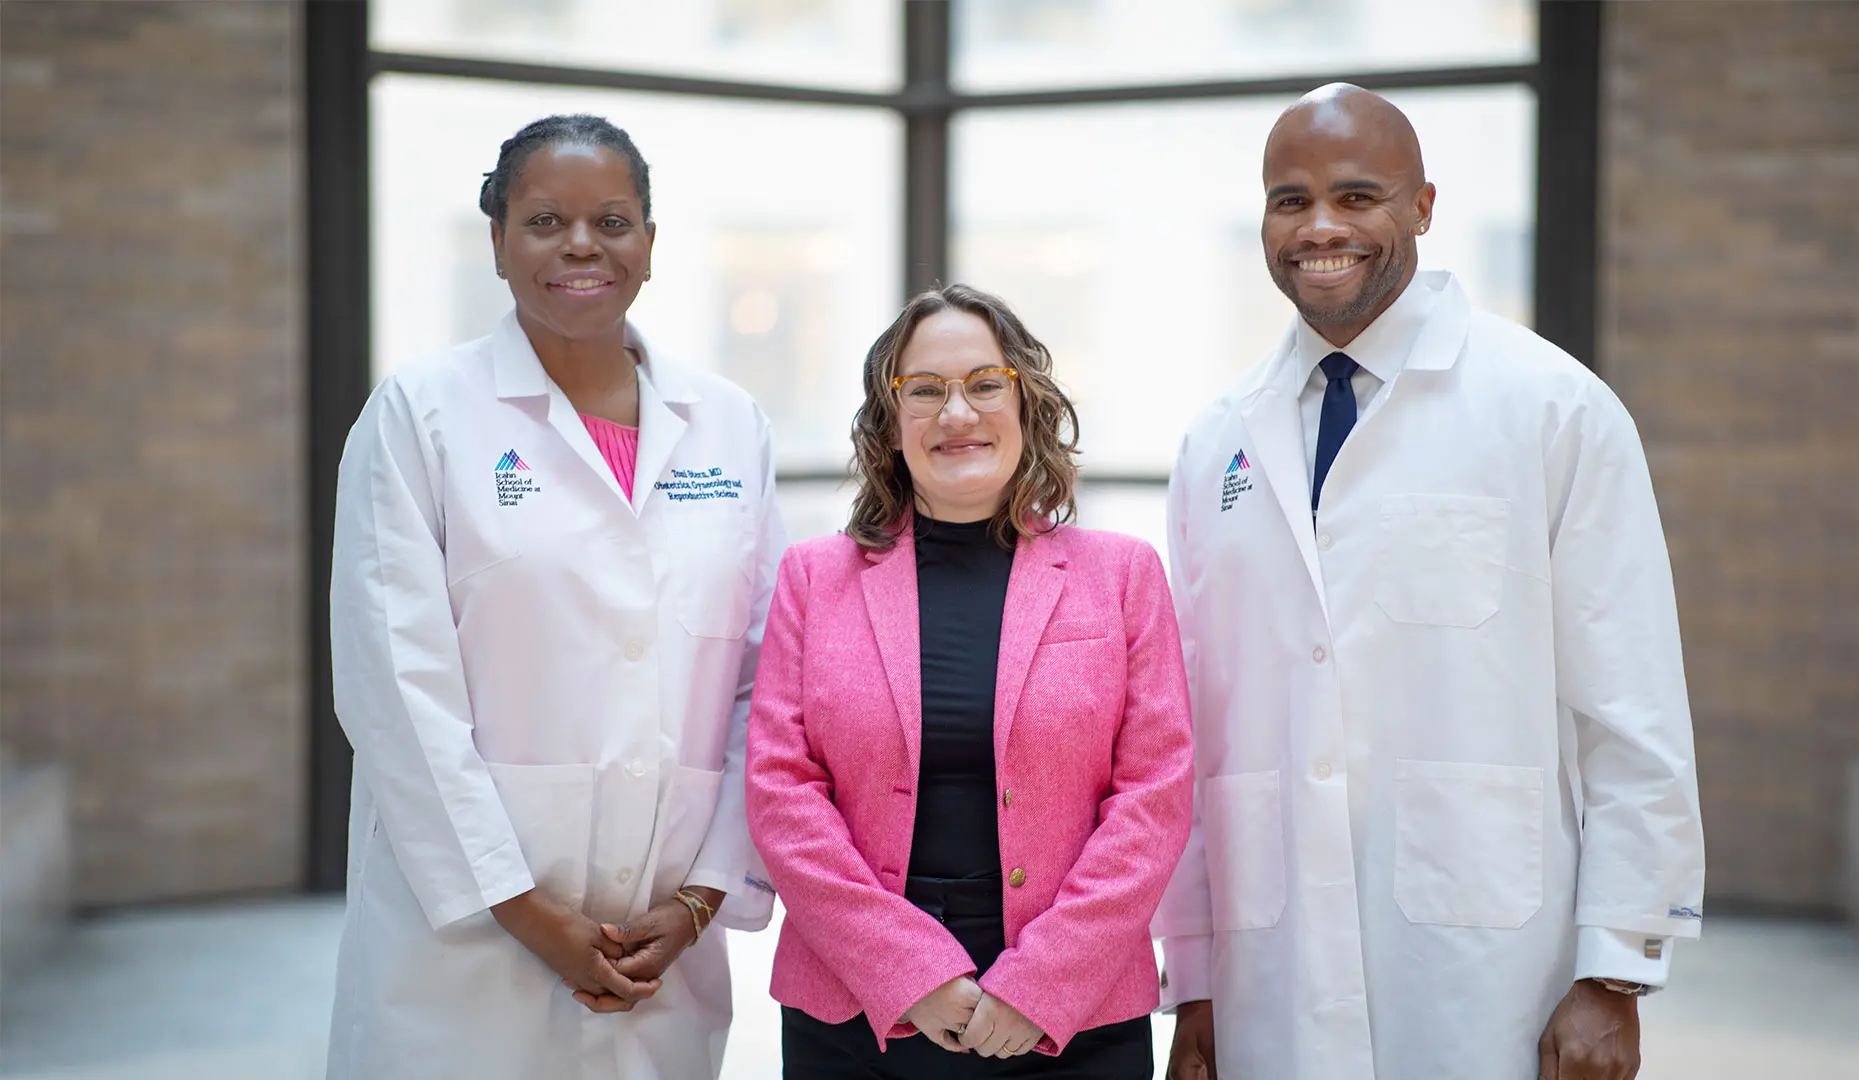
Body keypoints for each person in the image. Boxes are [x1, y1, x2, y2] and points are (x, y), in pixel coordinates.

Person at [1155, 84, 1706, 1080]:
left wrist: (1616, 970)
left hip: (1487, 970)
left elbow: (1631, 706)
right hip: (1265, 972)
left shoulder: (1551, 408)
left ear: (1423, 206)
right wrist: (1192, 977)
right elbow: (1192, 733)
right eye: (1291, 199)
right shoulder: (1215, 442)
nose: (1321, 226)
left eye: (1359, 195)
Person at [327, 114, 785, 1079]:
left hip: (661, 933)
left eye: (613, 221)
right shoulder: (422, 413)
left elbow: (766, 685)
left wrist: (703, 896)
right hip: (464, 934)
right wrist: (521, 908)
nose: (582, 245)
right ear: (496, 243)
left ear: (651, 246)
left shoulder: (730, 425)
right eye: (544, 221)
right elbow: (397, 688)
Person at [745, 285, 1194, 1078]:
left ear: (1027, 403)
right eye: (925, 391)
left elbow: (1155, 800)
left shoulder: (1121, 576)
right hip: (860, 1016)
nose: (957, 413)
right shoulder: (814, 579)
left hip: (1073, 1015)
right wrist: (908, 973)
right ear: (889, 423)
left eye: (986, 384)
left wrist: (1040, 985)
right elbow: (782, 796)